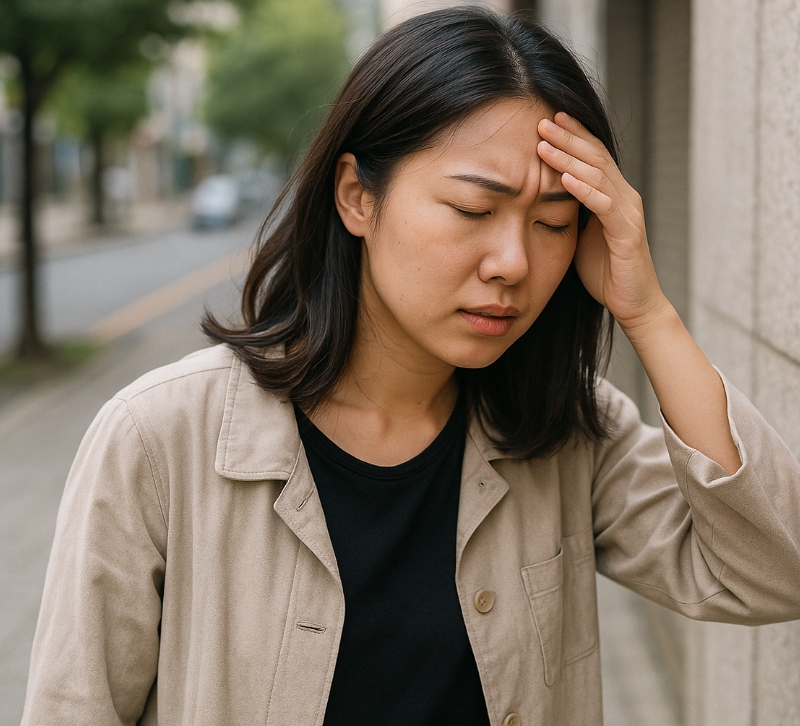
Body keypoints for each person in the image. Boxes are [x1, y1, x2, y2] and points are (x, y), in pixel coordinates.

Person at [22, 7, 800, 726]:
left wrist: (649, 314)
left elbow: (772, 572)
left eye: (553, 224)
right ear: (358, 197)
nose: (512, 262)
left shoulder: (565, 432)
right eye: (472, 210)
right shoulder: (160, 439)